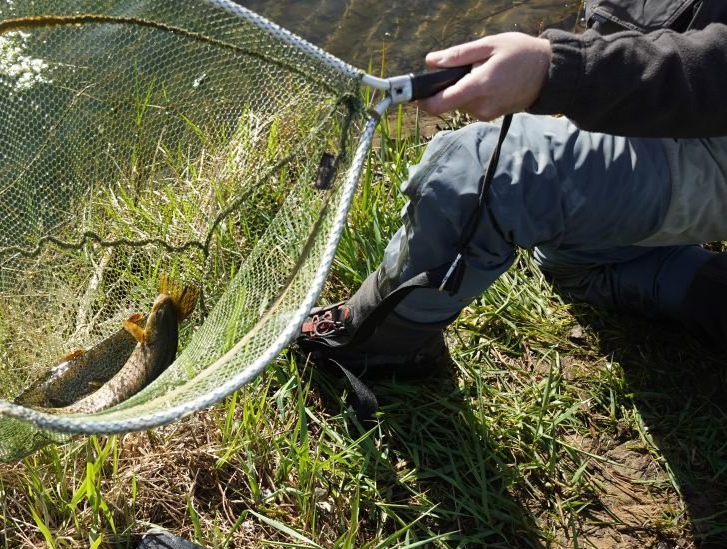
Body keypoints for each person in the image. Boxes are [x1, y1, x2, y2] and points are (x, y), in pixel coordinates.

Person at [297, 0, 727, 381]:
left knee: (478, 172)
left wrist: (556, 69)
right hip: (656, 102)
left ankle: (385, 344)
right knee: (576, 260)